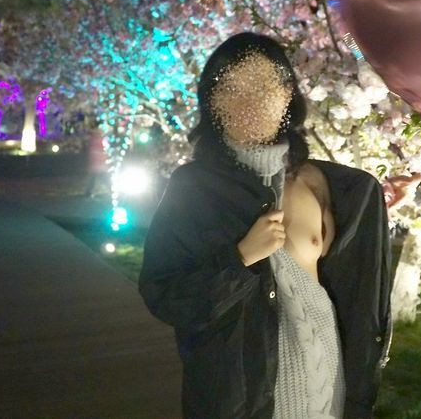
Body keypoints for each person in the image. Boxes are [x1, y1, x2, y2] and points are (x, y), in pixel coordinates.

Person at [138, 32, 394, 419]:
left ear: (287, 94)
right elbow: (167, 296)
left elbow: (355, 291)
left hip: (329, 388)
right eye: (231, 88)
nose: (249, 101)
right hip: (241, 400)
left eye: (263, 86)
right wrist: (240, 259)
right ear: (212, 102)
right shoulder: (193, 189)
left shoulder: (324, 185)